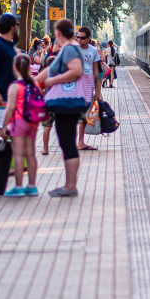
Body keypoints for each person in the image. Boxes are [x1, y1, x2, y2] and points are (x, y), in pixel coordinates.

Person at [36, 19, 85, 197]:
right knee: (67, 142)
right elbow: (51, 70)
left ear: (57, 33)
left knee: (67, 143)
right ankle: (69, 184)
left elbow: (76, 70)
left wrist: (52, 82)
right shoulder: (68, 48)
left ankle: (71, 186)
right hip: (67, 104)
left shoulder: (70, 48)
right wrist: (34, 82)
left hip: (68, 103)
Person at [2, 54, 40, 197]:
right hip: (33, 122)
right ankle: (32, 186)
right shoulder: (34, 83)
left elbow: (10, 107)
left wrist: (5, 125)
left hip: (18, 121)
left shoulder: (15, 86)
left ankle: (18, 187)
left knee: (18, 154)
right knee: (30, 154)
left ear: (15, 68)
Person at [74, 27, 104, 152]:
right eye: (78, 37)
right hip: (74, 84)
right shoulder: (73, 49)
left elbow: (96, 72)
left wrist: (98, 91)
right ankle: (71, 141)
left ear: (88, 39)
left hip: (87, 85)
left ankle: (80, 142)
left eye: (82, 38)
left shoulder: (93, 51)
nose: (79, 40)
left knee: (84, 114)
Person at [40, 40, 61, 156]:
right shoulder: (60, 74)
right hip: (60, 103)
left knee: (47, 126)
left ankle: (45, 148)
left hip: (48, 102)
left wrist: (42, 93)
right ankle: (63, 147)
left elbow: (40, 86)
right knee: (60, 126)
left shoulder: (46, 74)